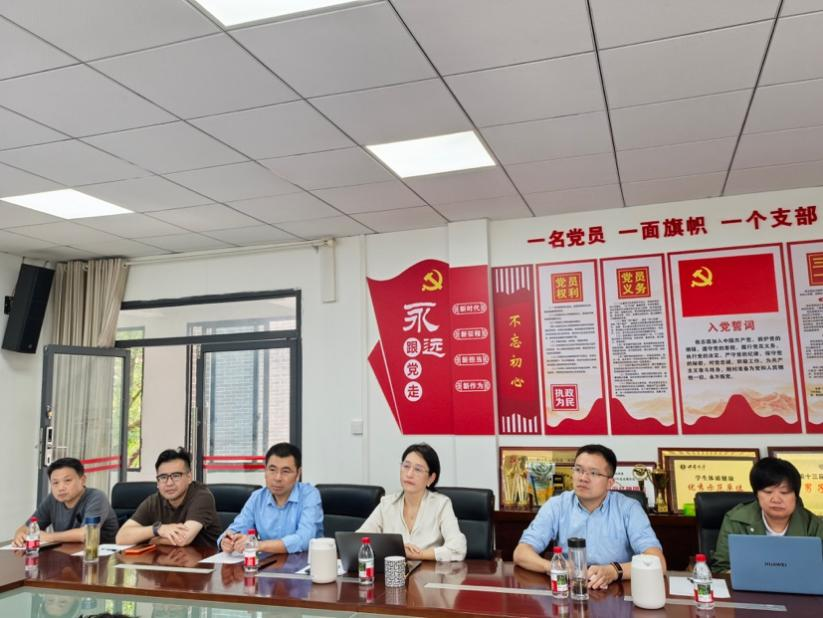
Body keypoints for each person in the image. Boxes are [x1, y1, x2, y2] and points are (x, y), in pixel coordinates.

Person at [514, 444, 665, 588]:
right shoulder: (557, 505)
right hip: (571, 588)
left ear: (610, 483)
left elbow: (658, 562)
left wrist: (615, 571)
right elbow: (521, 553)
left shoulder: (629, 509)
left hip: (617, 590)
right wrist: (554, 567)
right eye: (578, 470)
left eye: (593, 473)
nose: (583, 478)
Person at [711, 456, 823, 573]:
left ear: (796, 495)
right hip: (750, 584)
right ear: (757, 494)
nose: (776, 499)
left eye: (784, 492)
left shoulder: (813, 525)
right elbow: (721, 568)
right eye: (768, 492)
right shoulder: (737, 520)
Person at [358, 443, 467, 561]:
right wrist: (397, 549)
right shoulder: (387, 504)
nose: (409, 474)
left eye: (418, 469)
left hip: (429, 571)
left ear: (431, 478)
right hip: (393, 571)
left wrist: (418, 554)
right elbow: (358, 541)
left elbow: (458, 548)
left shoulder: (441, 504)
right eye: (406, 466)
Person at [219, 443, 323, 554]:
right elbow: (237, 528)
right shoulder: (257, 497)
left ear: (298, 474)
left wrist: (259, 545)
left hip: (305, 562)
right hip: (268, 562)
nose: (277, 478)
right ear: (265, 471)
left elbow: (305, 539)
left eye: (285, 471)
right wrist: (227, 541)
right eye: (272, 470)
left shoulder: (310, 495)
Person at [116, 448, 221, 547]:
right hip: (166, 558)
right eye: (163, 477)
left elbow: (182, 539)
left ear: (189, 477)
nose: (169, 483)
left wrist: (151, 540)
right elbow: (121, 538)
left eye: (176, 476)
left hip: (203, 558)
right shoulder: (154, 501)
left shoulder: (202, 496)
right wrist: (157, 529)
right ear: (158, 482)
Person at [12, 458, 118, 546]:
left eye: (67, 480)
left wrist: (49, 537)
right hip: (65, 555)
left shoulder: (96, 497)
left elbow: (86, 534)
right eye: (55, 483)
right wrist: (20, 534)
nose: (61, 488)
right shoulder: (52, 499)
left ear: (82, 480)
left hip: (98, 557)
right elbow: (28, 527)